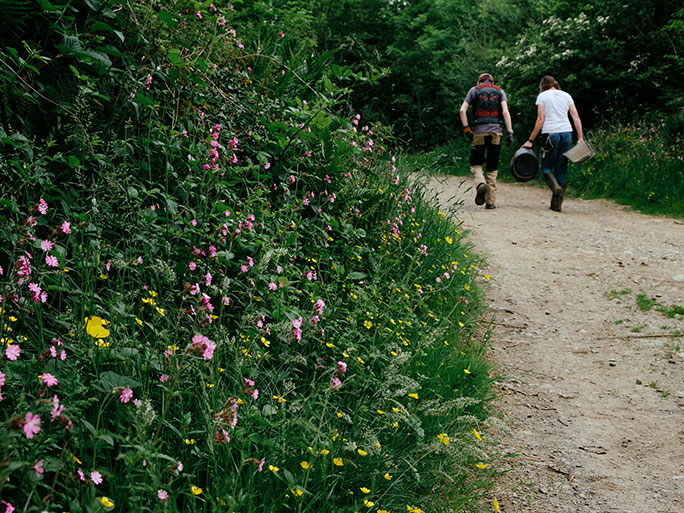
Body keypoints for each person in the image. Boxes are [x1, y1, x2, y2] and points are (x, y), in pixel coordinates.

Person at [522, 75, 584, 212]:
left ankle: (556, 188)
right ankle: (556, 205)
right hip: (567, 133)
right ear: (554, 84)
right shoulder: (567, 95)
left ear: (542, 86)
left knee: (545, 167)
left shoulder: (542, 96)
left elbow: (540, 120)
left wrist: (530, 140)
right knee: (561, 167)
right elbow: (576, 117)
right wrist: (580, 138)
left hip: (550, 134)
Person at [460, 73, 514, 209]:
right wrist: (510, 132)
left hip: (479, 131)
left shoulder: (474, 91)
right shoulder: (500, 91)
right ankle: (490, 201)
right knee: (492, 165)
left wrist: (467, 129)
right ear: (492, 81)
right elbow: (506, 112)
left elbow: (462, 110)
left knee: (476, 163)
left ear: (479, 82)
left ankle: (480, 184)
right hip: (496, 132)